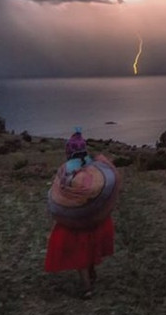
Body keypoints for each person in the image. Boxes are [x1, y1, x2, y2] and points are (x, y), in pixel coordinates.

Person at [44, 127, 119, 298]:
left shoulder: (65, 170)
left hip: (74, 222)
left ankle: (87, 288)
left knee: (80, 254)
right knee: (90, 248)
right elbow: (104, 184)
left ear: (68, 152)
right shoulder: (93, 168)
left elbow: (59, 191)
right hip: (94, 220)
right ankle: (91, 275)